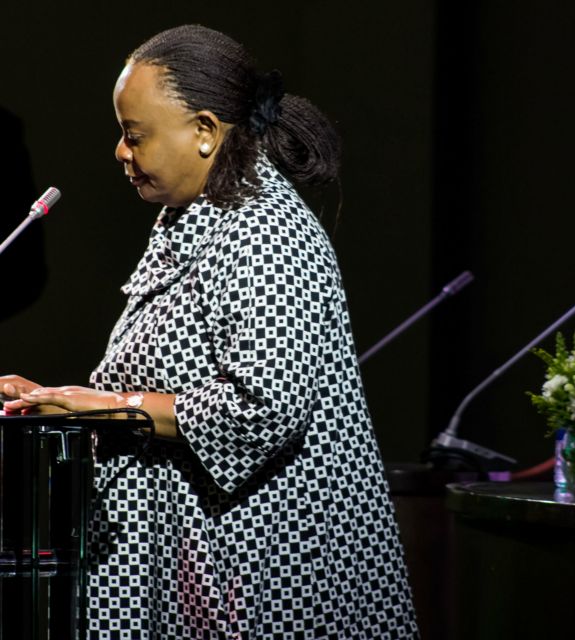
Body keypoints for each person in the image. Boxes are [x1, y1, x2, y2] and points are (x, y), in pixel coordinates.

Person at [1, 25, 418, 639]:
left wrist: (110, 407)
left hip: (264, 574)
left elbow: (264, 407)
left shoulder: (267, 234)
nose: (120, 151)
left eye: (134, 135)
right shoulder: (195, 220)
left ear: (204, 131)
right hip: (198, 564)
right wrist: (65, 402)